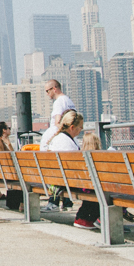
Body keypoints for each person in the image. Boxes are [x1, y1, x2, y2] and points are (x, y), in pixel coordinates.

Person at [41, 80, 77, 211]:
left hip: (57, 143)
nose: (47, 94)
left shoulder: (59, 102)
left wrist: (53, 138)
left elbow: (57, 122)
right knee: (64, 172)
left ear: (54, 88)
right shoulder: (68, 101)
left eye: (47, 91)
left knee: (55, 173)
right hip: (67, 142)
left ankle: (53, 202)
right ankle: (66, 203)